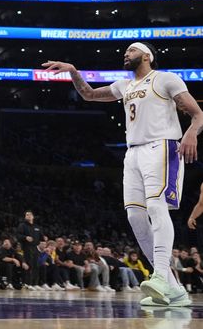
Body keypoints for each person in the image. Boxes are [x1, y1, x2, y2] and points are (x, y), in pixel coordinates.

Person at [44, 41, 202, 307]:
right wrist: (73, 70)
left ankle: (161, 276)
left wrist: (190, 134)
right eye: (126, 51)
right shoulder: (123, 85)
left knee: (155, 205)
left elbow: (198, 114)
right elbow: (89, 95)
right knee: (135, 216)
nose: (125, 54)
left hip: (162, 145)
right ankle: (174, 291)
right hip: (133, 153)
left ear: (147, 55)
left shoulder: (165, 79)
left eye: (132, 50)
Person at [16, 211, 42, 290]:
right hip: (26, 247)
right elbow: (18, 235)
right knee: (29, 265)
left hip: (35, 247)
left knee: (36, 266)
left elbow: (41, 236)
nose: (28, 216)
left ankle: (35, 284)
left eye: (30, 214)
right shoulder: (22, 225)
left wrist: (44, 238)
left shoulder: (36, 227)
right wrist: (25, 237)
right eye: (26, 215)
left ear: (33, 217)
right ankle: (28, 283)